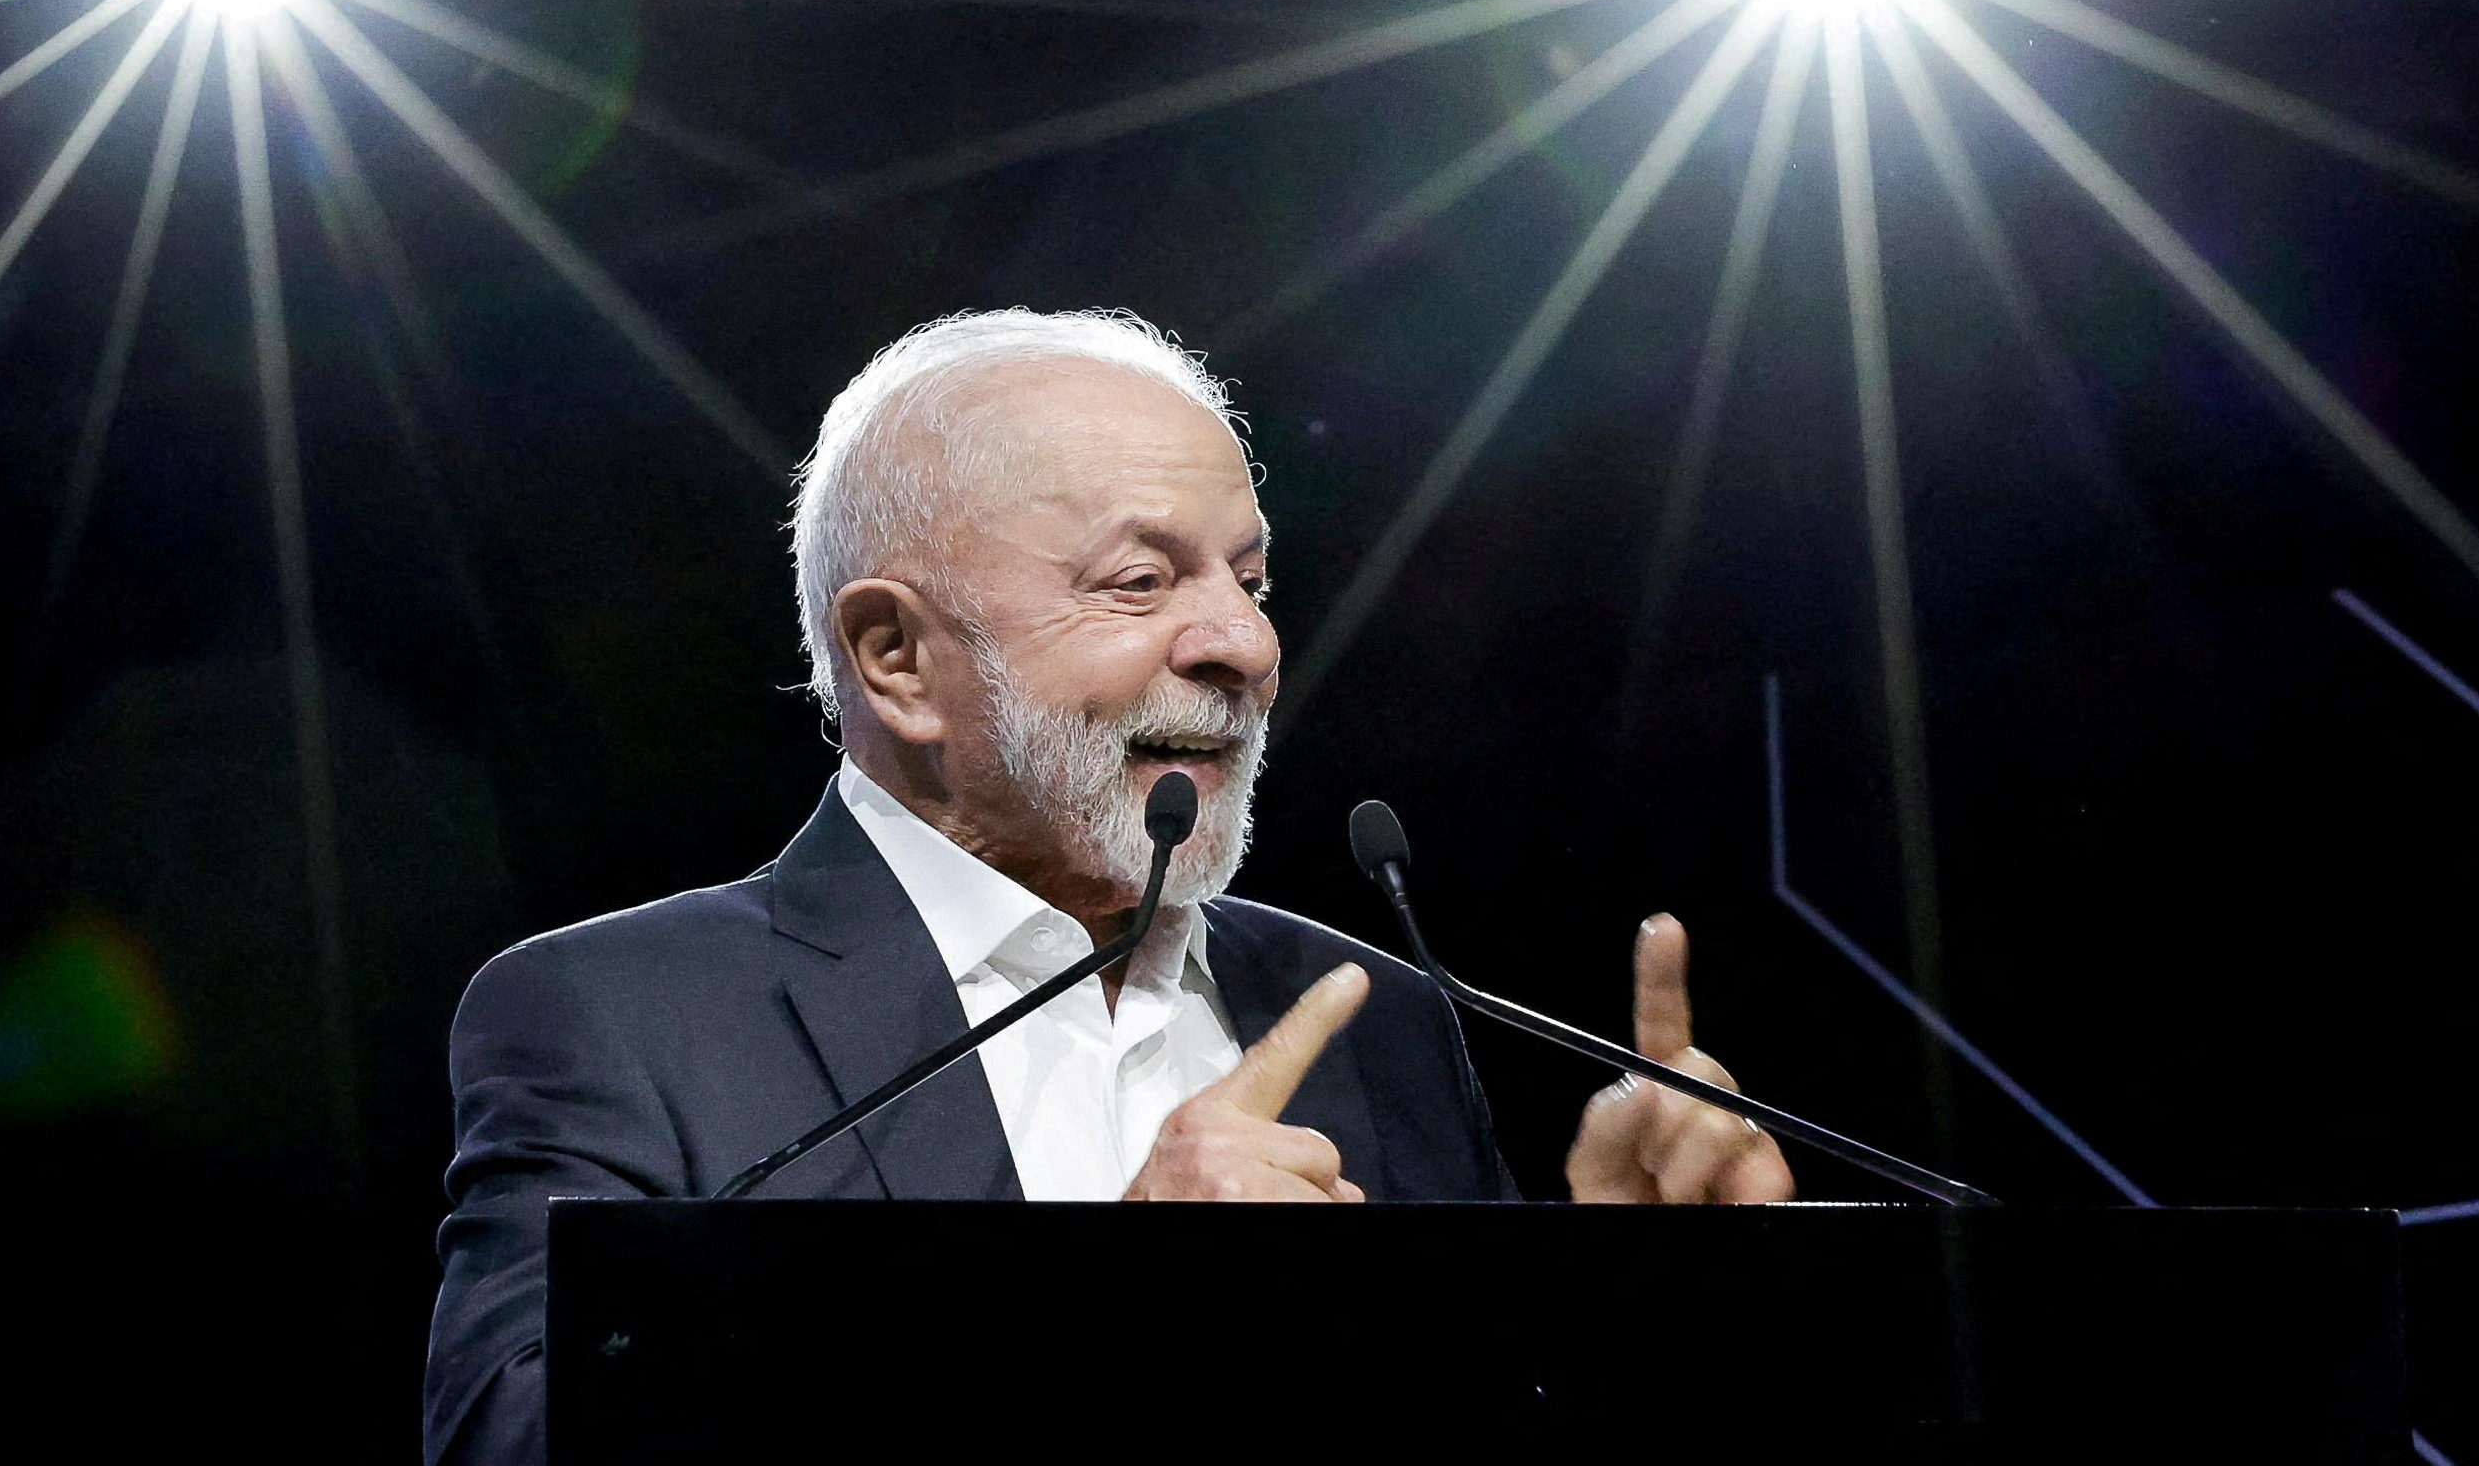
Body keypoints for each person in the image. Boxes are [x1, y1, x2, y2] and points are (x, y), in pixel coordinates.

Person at [424, 308, 1791, 1464]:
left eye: (1251, 579)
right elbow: (515, 1445)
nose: (1244, 644)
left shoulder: (1368, 1014)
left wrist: (1613, 1295)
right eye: (1140, 582)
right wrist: (1103, 1310)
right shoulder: (624, 1018)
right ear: (898, 659)